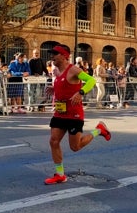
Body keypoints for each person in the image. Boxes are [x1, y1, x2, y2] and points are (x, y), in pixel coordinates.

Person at [43, 44, 111, 185]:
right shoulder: (56, 70)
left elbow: (91, 80)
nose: (52, 57)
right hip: (60, 112)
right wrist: (54, 88)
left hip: (74, 113)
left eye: (55, 54)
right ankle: (60, 175)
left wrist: (81, 92)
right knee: (53, 141)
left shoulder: (73, 70)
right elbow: (63, 85)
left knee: (75, 147)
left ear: (63, 56)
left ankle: (99, 130)